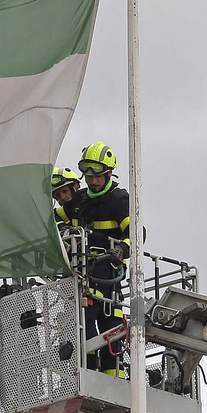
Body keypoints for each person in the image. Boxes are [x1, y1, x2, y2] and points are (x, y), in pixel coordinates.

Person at [57, 143, 132, 376]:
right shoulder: (79, 200)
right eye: (89, 176)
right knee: (84, 335)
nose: (93, 181)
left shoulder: (119, 199)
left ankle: (115, 383)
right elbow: (53, 219)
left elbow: (137, 233)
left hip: (110, 281)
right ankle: (87, 377)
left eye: (98, 176)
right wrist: (61, 231)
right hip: (82, 280)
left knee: (112, 341)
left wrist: (121, 249)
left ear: (109, 173)